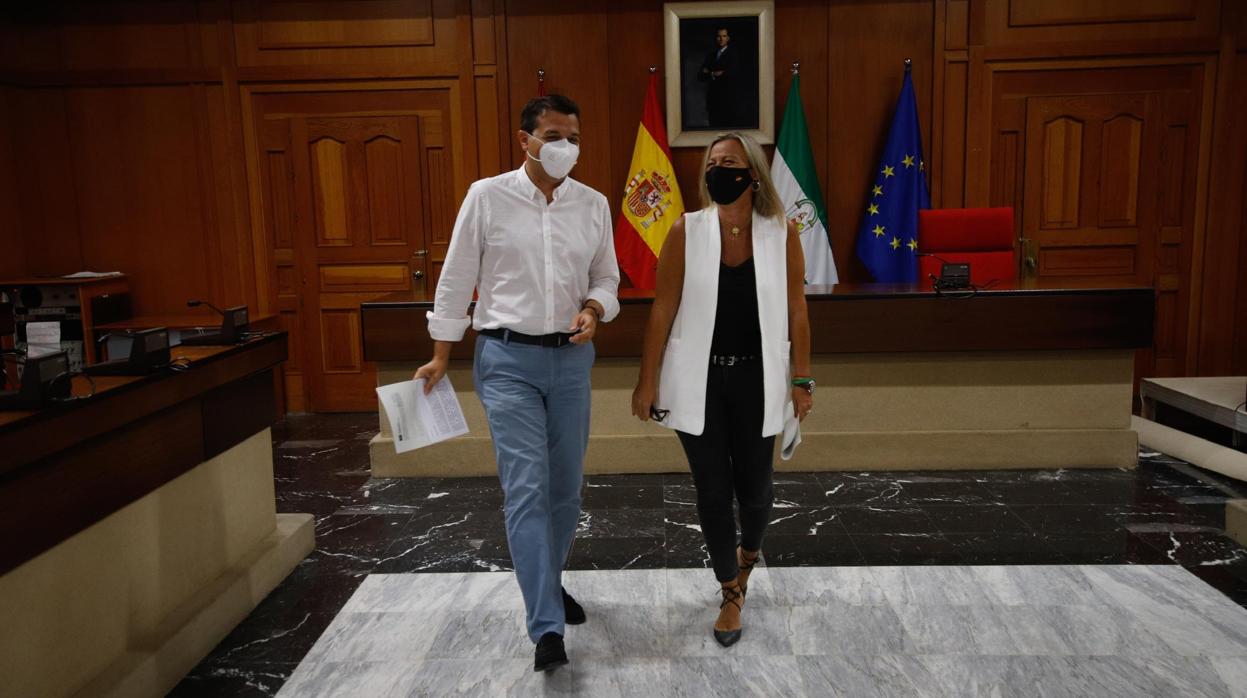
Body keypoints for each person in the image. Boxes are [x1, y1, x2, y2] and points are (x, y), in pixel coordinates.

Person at [415, 94, 620, 673]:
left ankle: (547, 584)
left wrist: (594, 308)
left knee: (565, 491)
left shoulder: (593, 204)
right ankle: (546, 627)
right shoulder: (487, 196)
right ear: (524, 139)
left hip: (571, 362)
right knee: (527, 489)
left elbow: (607, 275)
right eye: (554, 135)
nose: (565, 148)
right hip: (505, 361)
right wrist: (439, 356)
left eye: (574, 137)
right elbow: (456, 280)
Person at [630, 131, 813, 647]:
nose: (718, 170)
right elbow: (662, 309)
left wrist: (803, 378)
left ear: (752, 174)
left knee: (755, 490)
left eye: (729, 162)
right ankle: (730, 590)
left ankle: (748, 554)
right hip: (699, 381)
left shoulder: (781, 233)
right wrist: (647, 380)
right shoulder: (687, 231)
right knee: (711, 490)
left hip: (760, 378)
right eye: (712, 163)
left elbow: (798, 310)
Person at [698, 27, 740, 127]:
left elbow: (733, 74)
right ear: (716, 38)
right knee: (713, 128)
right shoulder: (711, 56)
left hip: (727, 100)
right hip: (713, 100)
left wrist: (710, 72)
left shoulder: (733, 54)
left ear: (728, 38)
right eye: (719, 36)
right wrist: (714, 73)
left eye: (724, 36)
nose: (721, 39)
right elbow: (700, 76)